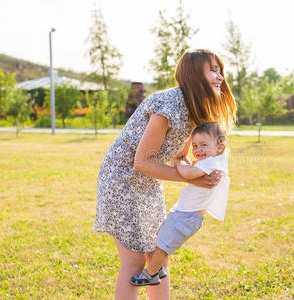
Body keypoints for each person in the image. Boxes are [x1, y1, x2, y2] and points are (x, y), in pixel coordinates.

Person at [94, 49, 236, 300]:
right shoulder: (168, 104)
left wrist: (199, 172)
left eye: (220, 70)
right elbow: (142, 162)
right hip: (122, 181)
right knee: (135, 262)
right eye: (213, 70)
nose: (220, 77)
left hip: (148, 184)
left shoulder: (196, 109)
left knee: (158, 260)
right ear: (194, 74)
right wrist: (191, 177)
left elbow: (180, 156)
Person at [129, 122, 230, 286]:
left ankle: (151, 274)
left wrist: (180, 162)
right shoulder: (213, 161)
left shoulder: (212, 163)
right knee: (162, 239)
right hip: (186, 214)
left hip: (187, 216)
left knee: (163, 245)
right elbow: (188, 170)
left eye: (204, 145)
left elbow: (188, 173)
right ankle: (159, 269)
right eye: (195, 145)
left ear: (219, 147)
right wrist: (181, 161)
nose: (197, 150)